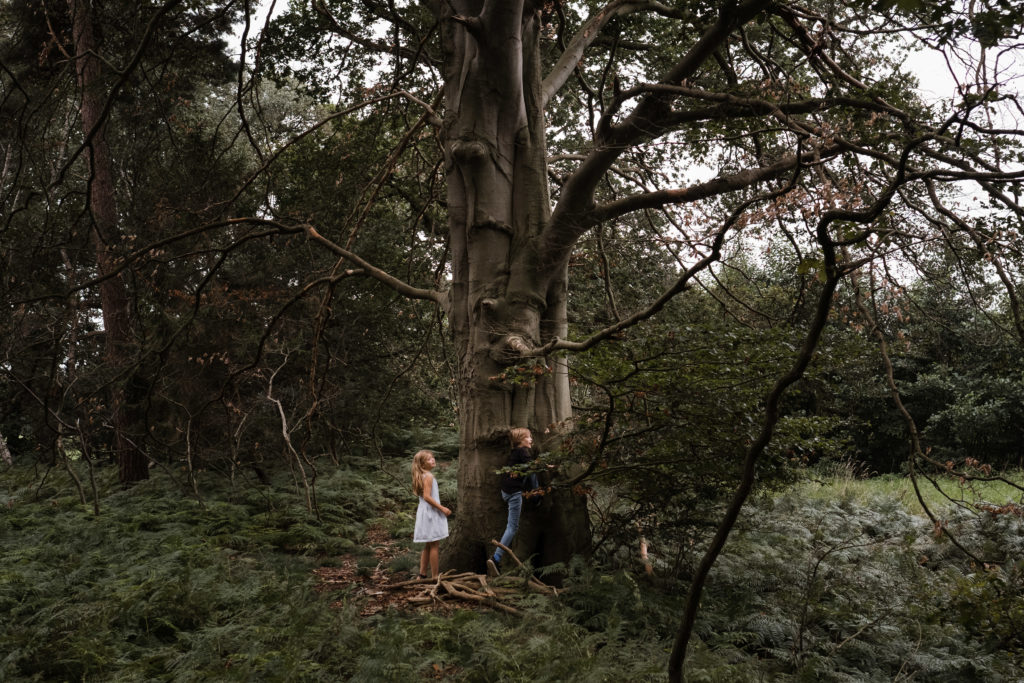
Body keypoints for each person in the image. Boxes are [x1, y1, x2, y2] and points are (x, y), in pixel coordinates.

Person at [487, 427, 538, 577]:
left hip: (506, 491)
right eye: (528, 437)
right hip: (514, 493)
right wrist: (547, 466)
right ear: (521, 440)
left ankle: (535, 495)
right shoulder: (523, 452)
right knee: (512, 527)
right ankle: (495, 558)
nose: (531, 439)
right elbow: (533, 468)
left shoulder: (515, 453)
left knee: (532, 473)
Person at [412, 449, 451, 579]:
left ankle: (422, 574)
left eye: (432, 457)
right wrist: (442, 508)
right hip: (431, 513)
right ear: (422, 464)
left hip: (425, 512)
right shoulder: (428, 476)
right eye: (429, 459)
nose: (433, 459)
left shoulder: (422, 476)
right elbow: (427, 497)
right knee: (434, 545)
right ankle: (435, 577)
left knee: (428, 545)